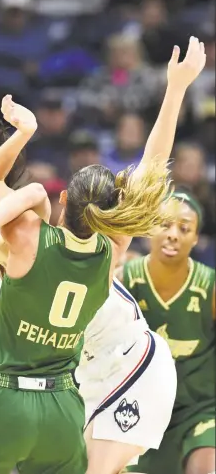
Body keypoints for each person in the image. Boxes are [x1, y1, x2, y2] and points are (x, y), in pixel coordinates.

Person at [0, 38, 206, 474]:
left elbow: (149, 170)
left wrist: (175, 90)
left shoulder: (59, 241)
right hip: (73, 383)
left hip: (129, 362)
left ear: (6, 213)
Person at [123, 190, 215, 474]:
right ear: (149, 228)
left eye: (184, 228)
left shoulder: (209, 285)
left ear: (197, 237)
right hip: (137, 408)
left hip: (197, 409)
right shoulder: (124, 279)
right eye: (165, 225)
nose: (174, 234)